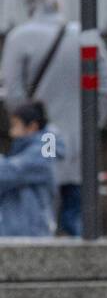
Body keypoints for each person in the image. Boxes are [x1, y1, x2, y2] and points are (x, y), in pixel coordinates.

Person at [0, 0, 107, 236]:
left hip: (41, 144)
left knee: (39, 215)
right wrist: (85, 126)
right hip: (78, 145)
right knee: (78, 215)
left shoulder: (20, 38)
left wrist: (31, 128)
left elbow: (15, 96)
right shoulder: (85, 36)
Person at [0, 101, 63, 237]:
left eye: (15, 125)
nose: (12, 132)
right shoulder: (32, 148)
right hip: (24, 227)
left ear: (32, 127)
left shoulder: (45, 151)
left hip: (31, 229)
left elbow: (12, 171)